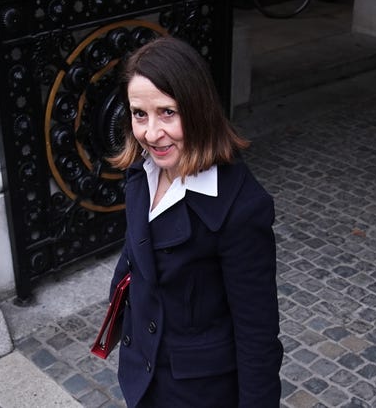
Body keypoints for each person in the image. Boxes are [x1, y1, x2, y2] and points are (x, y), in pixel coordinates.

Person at [108, 36, 283, 407]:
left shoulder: (242, 208)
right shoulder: (142, 170)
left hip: (198, 393)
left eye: (168, 112)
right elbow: (137, 251)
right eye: (140, 114)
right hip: (142, 371)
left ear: (198, 109)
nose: (152, 133)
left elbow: (257, 337)